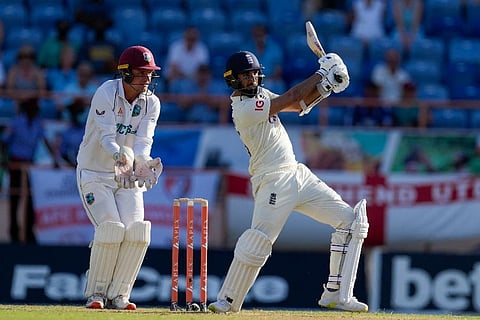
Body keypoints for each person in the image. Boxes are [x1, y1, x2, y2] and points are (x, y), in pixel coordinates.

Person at [207, 51, 369, 313]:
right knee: (258, 242)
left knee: (352, 222)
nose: (252, 79)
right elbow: (291, 97)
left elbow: (298, 105)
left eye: (254, 73)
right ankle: (227, 301)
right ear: (233, 80)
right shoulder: (243, 109)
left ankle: (336, 295)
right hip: (272, 181)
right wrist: (320, 73)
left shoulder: (260, 95)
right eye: (245, 75)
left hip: (297, 174)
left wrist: (326, 87)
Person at [76, 45, 163, 310]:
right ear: (125, 73)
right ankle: (96, 294)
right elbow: (106, 137)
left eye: (150, 73)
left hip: (126, 176)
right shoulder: (106, 93)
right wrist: (120, 157)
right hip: (94, 173)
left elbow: (143, 141)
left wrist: (143, 162)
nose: (147, 79)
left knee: (138, 232)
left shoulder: (152, 102)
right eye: (141, 73)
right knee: (112, 229)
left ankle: (120, 295)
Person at [1, 97, 57, 243]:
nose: (37, 110)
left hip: (29, 165)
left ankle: (28, 231)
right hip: (16, 164)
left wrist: (55, 160)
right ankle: (14, 232)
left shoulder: (38, 123)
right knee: (15, 199)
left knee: (31, 199)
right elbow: (5, 141)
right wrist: (5, 160)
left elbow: (45, 141)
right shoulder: (16, 121)